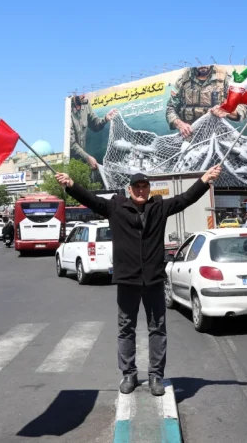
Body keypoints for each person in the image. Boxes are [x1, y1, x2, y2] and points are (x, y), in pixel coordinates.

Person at [55, 164, 222, 396]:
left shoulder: (160, 207)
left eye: (145, 186)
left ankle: (156, 376)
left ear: (149, 189)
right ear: (129, 188)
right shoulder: (115, 206)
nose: (141, 190)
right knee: (126, 329)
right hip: (127, 281)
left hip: (153, 280)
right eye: (137, 187)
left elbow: (186, 199)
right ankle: (129, 375)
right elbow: (92, 200)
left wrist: (204, 180)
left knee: (158, 329)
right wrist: (71, 185)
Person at [165, 65, 247, 139]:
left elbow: (242, 106)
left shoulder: (225, 77)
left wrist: (228, 110)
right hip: (190, 136)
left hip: (218, 135)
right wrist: (179, 124)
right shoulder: (182, 80)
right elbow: (171, 108)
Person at [69, 94, 118, 171]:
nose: (84, 96)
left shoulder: (86, 106)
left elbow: (95, 125)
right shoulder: (67, 110)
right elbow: (71, 144)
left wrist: (105, 118)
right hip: (70, 163)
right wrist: (88, 158)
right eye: (81, 93)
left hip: (82, 162)